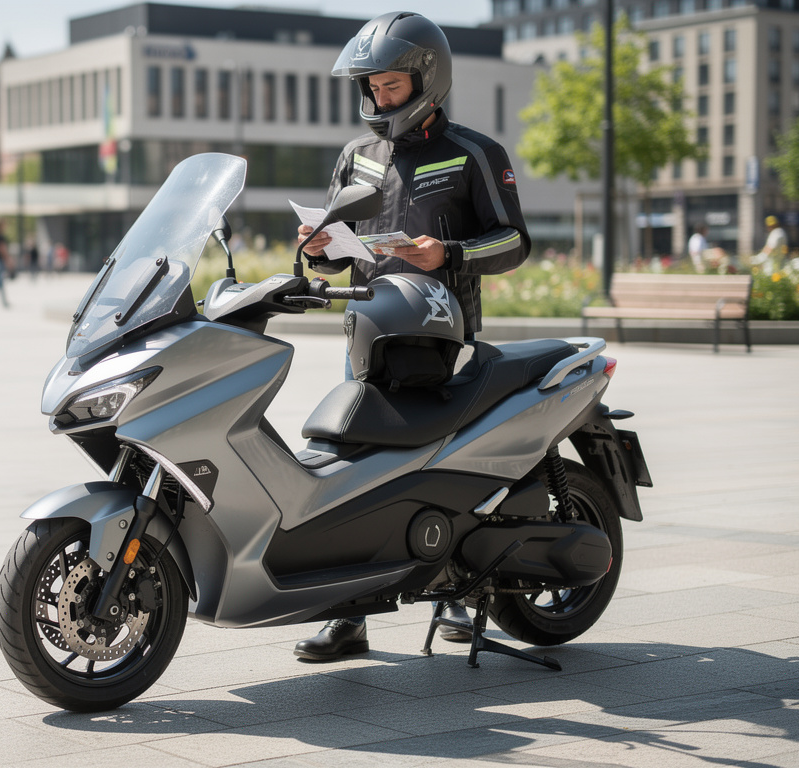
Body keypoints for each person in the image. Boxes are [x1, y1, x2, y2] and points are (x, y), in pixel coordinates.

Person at [293, 11, 531, 662]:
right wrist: (317, 251)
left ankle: (459, 591)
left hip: (444, 340)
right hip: (368, 340)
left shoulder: (476, 153)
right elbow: (338, 253)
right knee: (345, 476)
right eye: (369, 86)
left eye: (389, 84)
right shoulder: (355, 157)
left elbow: (513, 241)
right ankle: (347, 617)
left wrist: (448, 253)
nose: (376, 97)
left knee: (448, 469)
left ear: (429, 78)